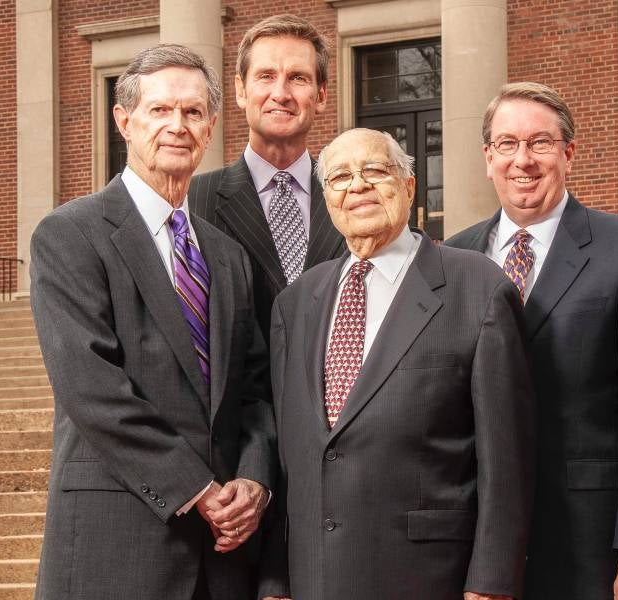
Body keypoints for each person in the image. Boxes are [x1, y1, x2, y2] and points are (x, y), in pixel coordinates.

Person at [30, 44, 275, 600]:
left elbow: (255, 390)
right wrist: (197, 489)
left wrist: (254, 480)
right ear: (124, 121)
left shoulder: (228, 255)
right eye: (160, 110)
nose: (177, 126)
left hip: (224, 557)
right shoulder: (70, 234)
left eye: (192, 113)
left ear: (211, 126)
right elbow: (91, 389)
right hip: (117, 542)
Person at [259, 128, 537, 600]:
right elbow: (289, 458)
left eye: (374, 171)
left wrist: (491, 584)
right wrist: (274, 581)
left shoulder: (477, 288)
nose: (358, 186)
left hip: (428, 577)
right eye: (340, 177)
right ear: (327, 198)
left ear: (408, 186)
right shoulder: (295, 303)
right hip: (315, 578)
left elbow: (507, 459)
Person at [446, 82, 618, 600]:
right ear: (488, 158)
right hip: (472, 544)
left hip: (587, 541)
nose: (523, 160)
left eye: (540, 143)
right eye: (507, 144)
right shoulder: (453, 258)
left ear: (568, 154)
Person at [189, 14, 345, 342]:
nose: (281, 93)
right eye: (266, 76)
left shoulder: (348, 194)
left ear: (321, 95)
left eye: (298, 78)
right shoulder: (193, 201)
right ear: (240, 90)